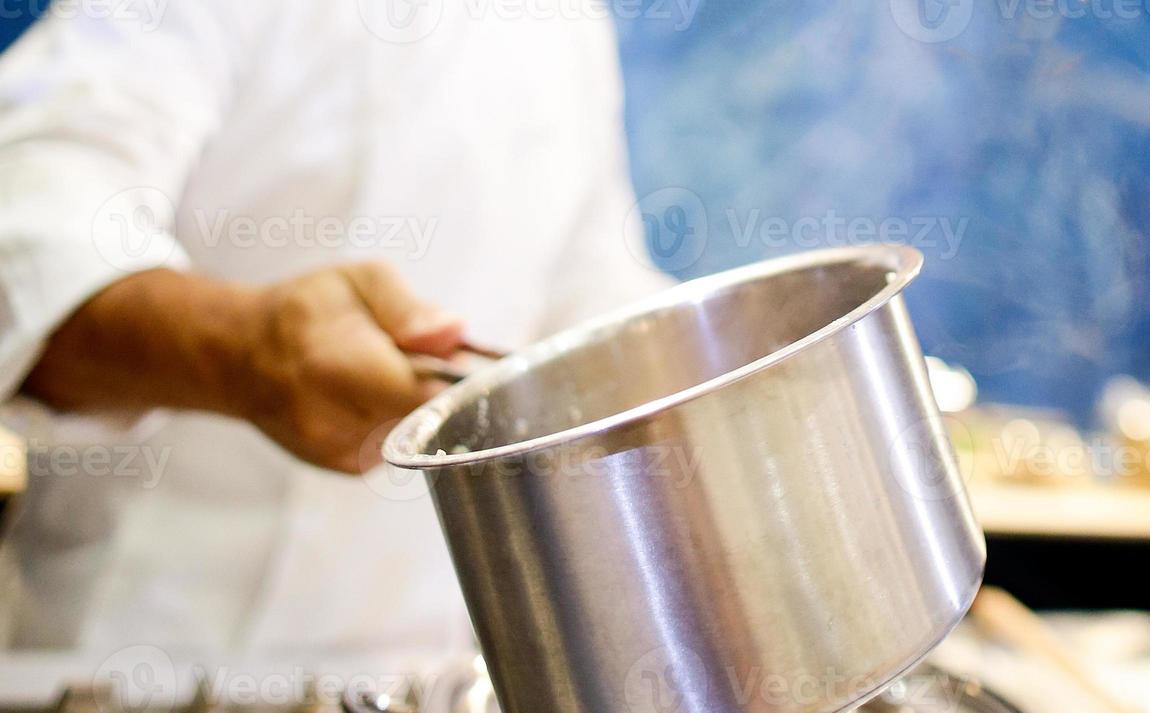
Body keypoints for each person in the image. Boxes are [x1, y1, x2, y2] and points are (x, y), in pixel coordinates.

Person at [0, 1, 668, 652]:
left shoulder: (565, 25)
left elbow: (594, 301)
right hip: (123, 660)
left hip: (417, 683)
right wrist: (247, 351)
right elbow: (31, 234)